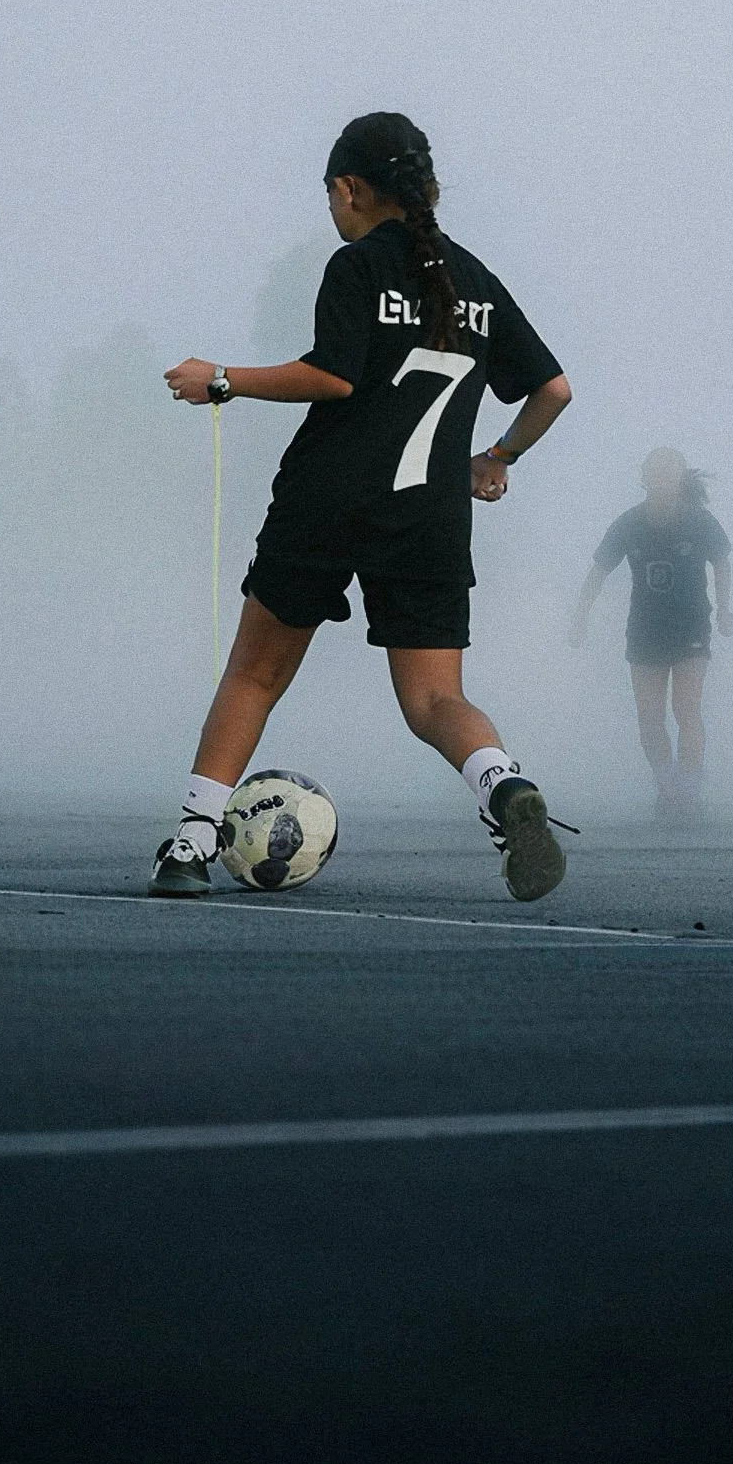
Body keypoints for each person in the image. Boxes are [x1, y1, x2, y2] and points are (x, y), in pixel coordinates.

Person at [152, 112, 574, 901]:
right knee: (435, 698)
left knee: (255, 673)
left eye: (331, 196)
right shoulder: (477, 281)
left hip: (329, 499)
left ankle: (188, 847)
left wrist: (221, 378)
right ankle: (504, 785)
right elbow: (554, 389)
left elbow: (334, 376)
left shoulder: (357, 267)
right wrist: (496, 458)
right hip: (431, 516)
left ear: (350, 188)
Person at [570, 449, 732, 820]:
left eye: (669, 471)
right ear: (643, 476)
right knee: (649, 716)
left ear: (680, 476)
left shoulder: (699, 521)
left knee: (686, 710)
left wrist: (724, 609)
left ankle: (689, 791)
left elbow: (721, 562)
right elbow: (598, 571)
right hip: (645, 629)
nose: (661, 478)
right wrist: (580, 617)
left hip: (691, 625)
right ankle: (667, 786)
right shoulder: (629, 523)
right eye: (654, 471)